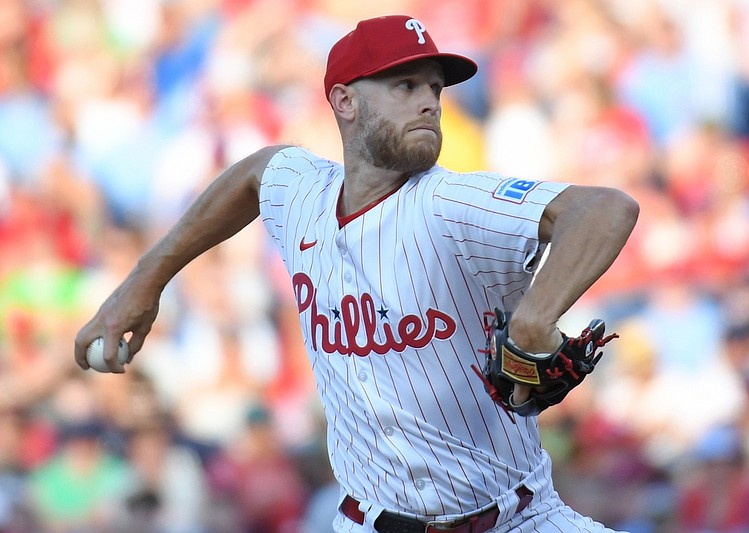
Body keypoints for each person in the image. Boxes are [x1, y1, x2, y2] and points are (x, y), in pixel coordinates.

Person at [74, 14, 639, 533]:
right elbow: (254, 174)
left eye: (434, 89)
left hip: (516, 520)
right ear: (344, 100)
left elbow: (606, 208)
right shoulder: (303, 193)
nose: (429, 103)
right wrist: (145, 280)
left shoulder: (453, 201)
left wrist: (536, 315)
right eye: (404, 86)